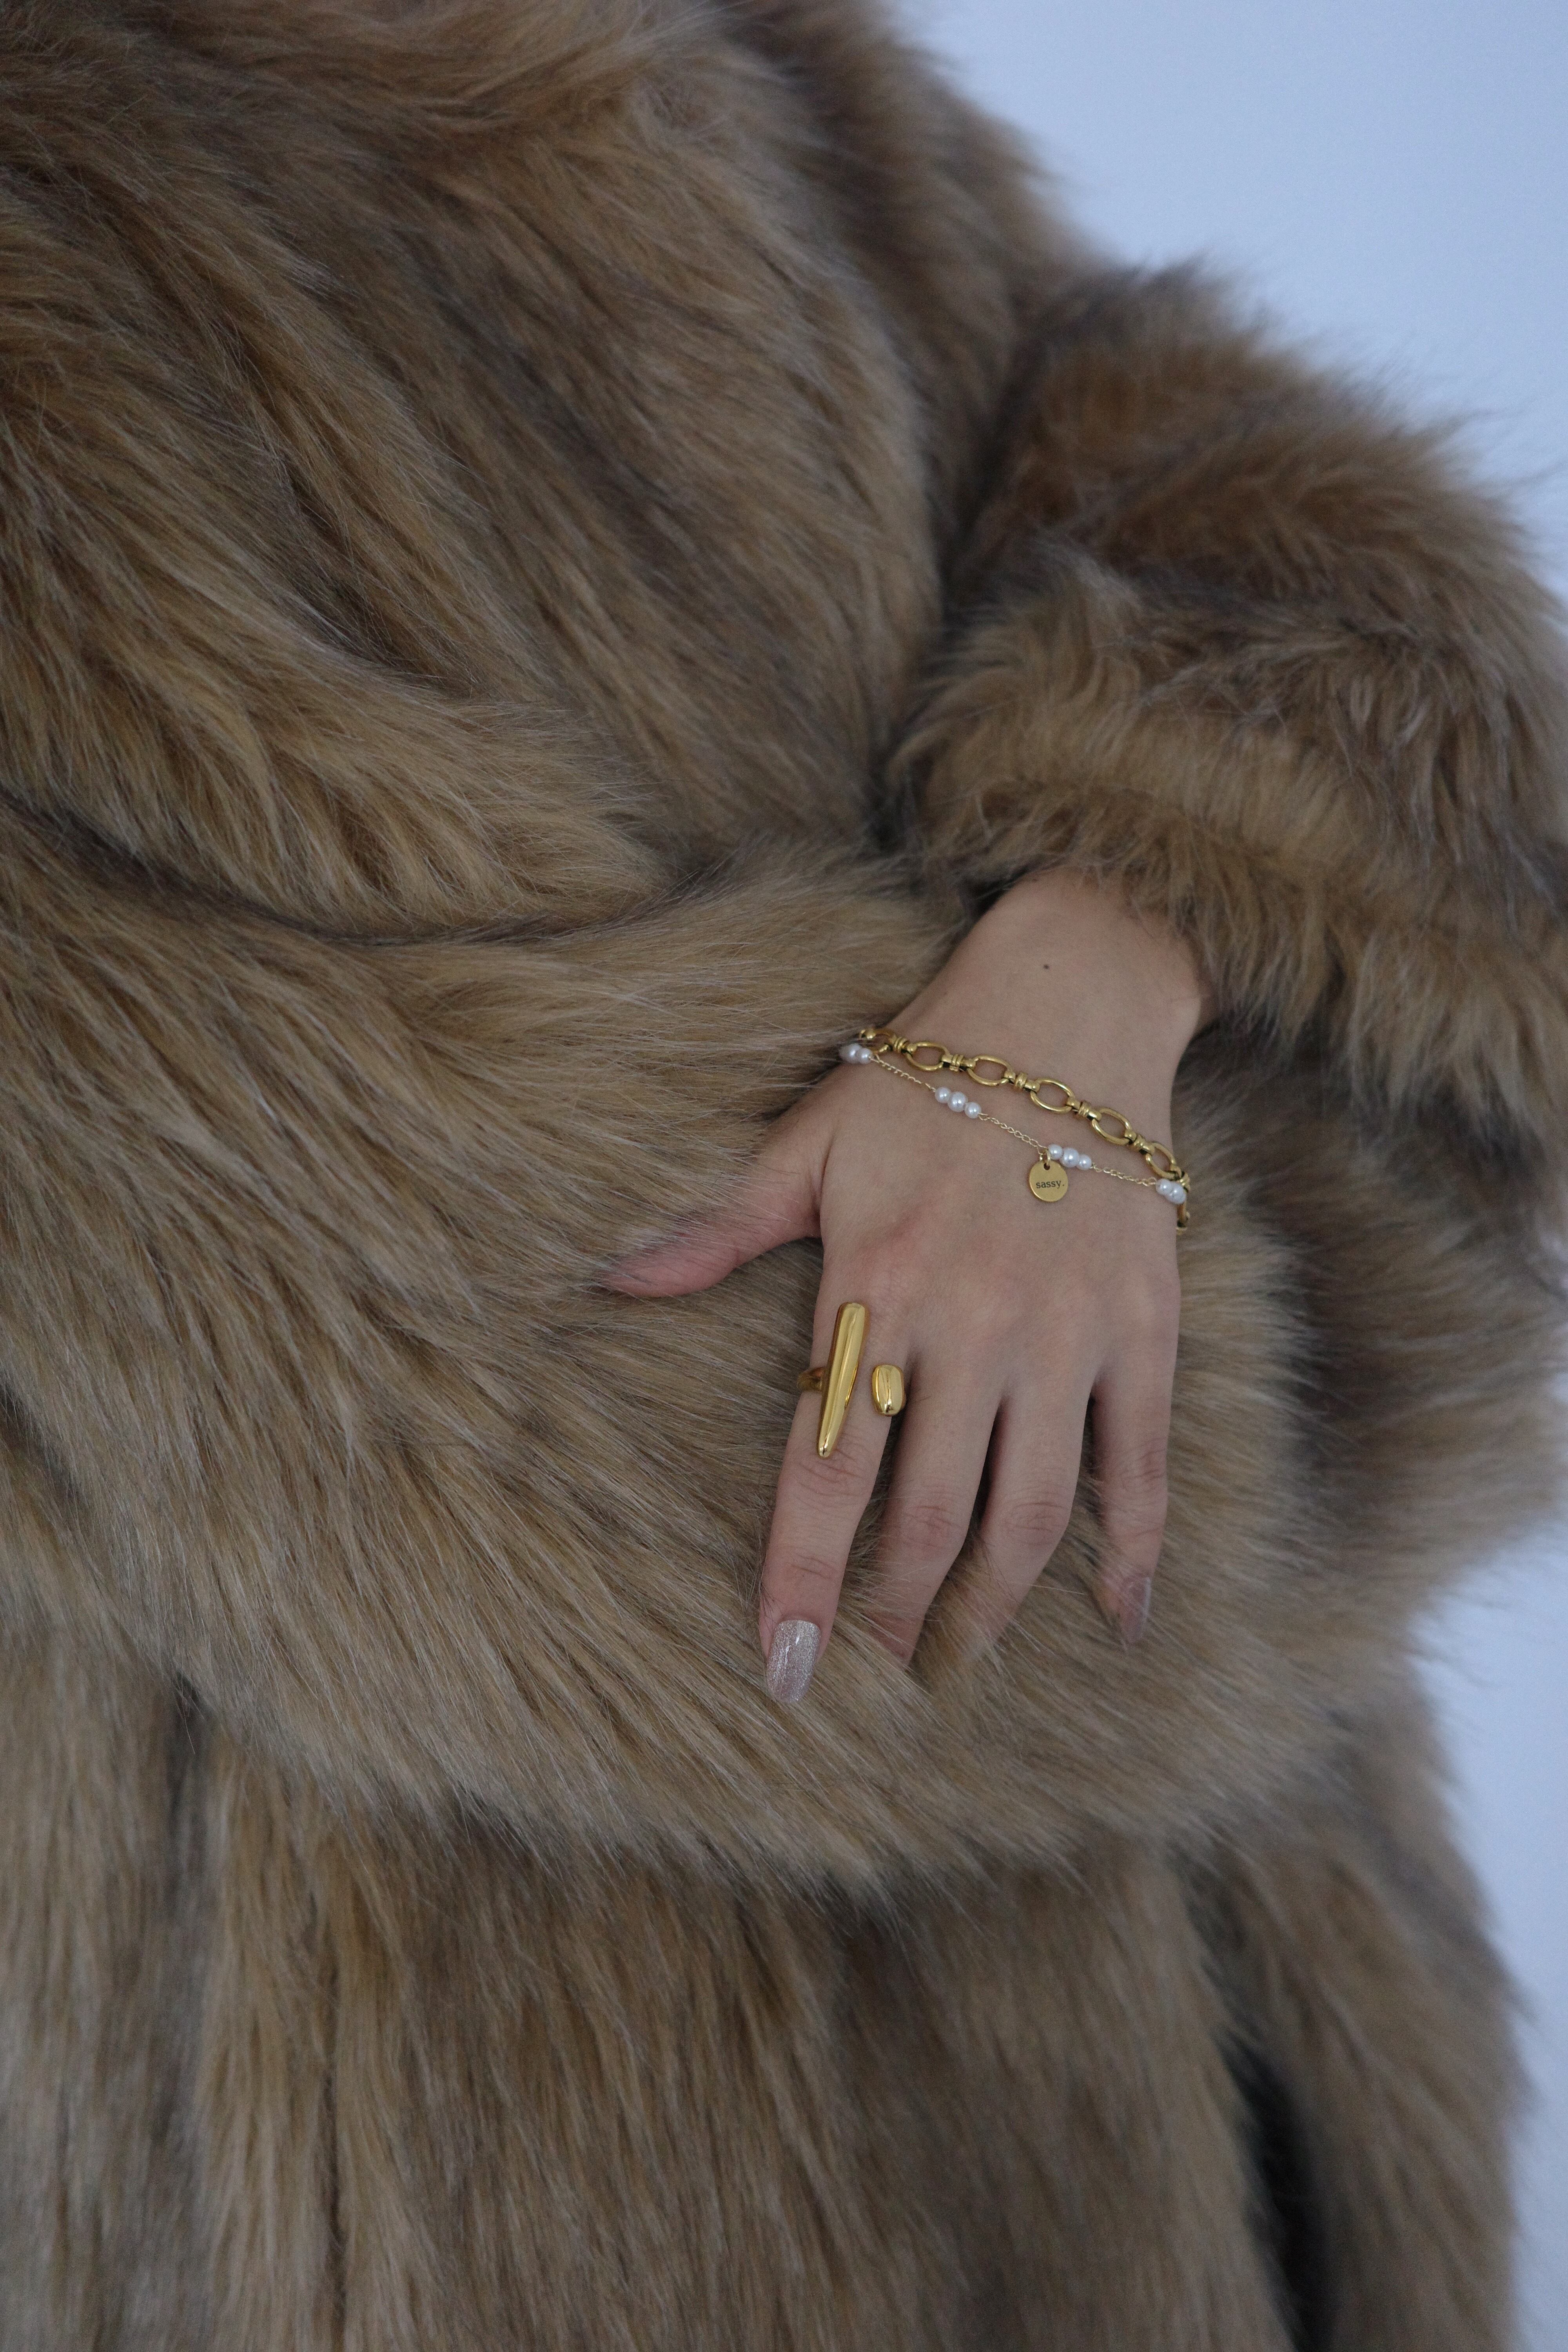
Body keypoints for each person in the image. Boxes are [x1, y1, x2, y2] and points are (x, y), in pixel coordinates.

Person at [0, 2, 1563, 2345]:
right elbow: (495, 1426)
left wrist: (1106, 951)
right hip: (528, 2139)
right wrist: (1279, 1232)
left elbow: (1390, 679)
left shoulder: (779, 85)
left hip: (1250, 2041)